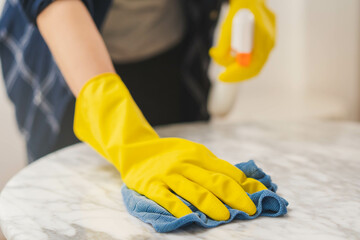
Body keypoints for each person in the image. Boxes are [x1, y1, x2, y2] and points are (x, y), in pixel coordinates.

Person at [0, 0, 275, 221]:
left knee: (181, 179)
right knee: (67, 206)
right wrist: (124, 133)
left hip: (172, 53)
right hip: (67, 63)